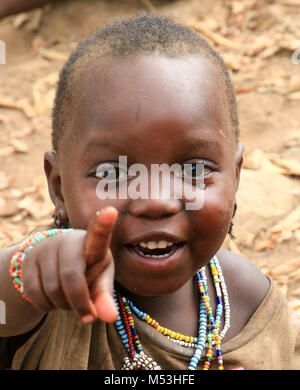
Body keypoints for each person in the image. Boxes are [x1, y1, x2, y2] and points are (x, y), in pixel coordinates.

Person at [0, 13, 299, 370]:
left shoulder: (252, 307)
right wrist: (26, 269)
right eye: (113, 172)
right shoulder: (53, 295)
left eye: (194, 169)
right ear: (59, 187)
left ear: (235, 177)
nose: (156, 200)